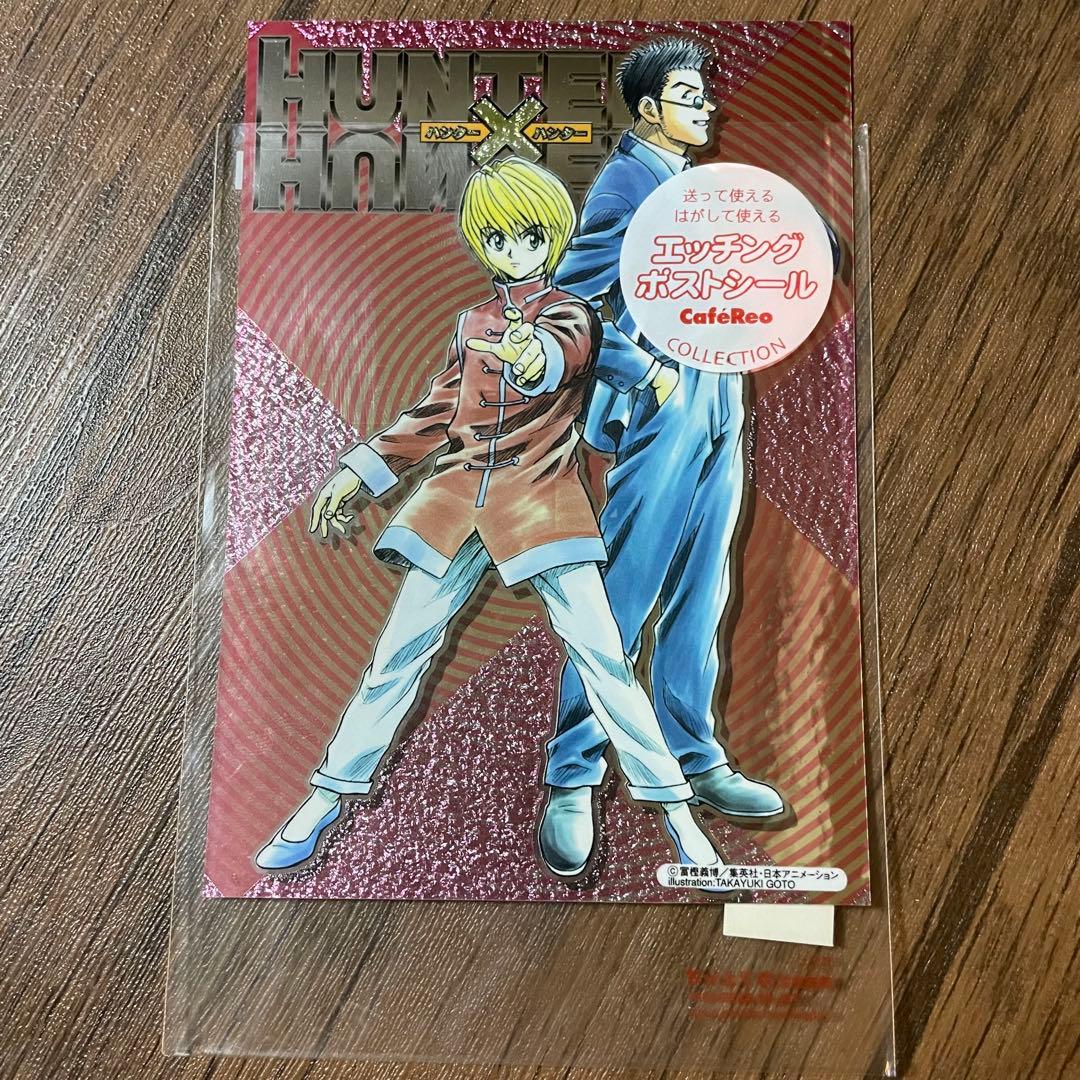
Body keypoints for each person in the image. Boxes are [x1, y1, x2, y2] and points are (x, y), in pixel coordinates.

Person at [255, 156, 721, 877]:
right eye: (498, 239)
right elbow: (436, 411)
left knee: (605, 662)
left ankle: (680, 817)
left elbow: (560, 355)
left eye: (528, 236)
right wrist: (358, 472)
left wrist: (531, 357)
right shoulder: (471, 323)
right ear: (481, 242)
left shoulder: (573, 315)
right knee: (394, 659)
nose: (513, 251)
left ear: (552, 238)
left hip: (541, 503)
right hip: (453, 504)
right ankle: (324, 798)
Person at [539, 38, 790, 877]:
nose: (708, 105)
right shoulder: (626, 183)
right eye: (689, 95)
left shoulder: (694, 184)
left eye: (705, 92)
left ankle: (695, 754)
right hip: (664, 405)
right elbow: (567, 305)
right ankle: (573, 775)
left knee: (702, 588)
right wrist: (643, 375)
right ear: (648, 110)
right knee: (623, 596)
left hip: (722, 396)